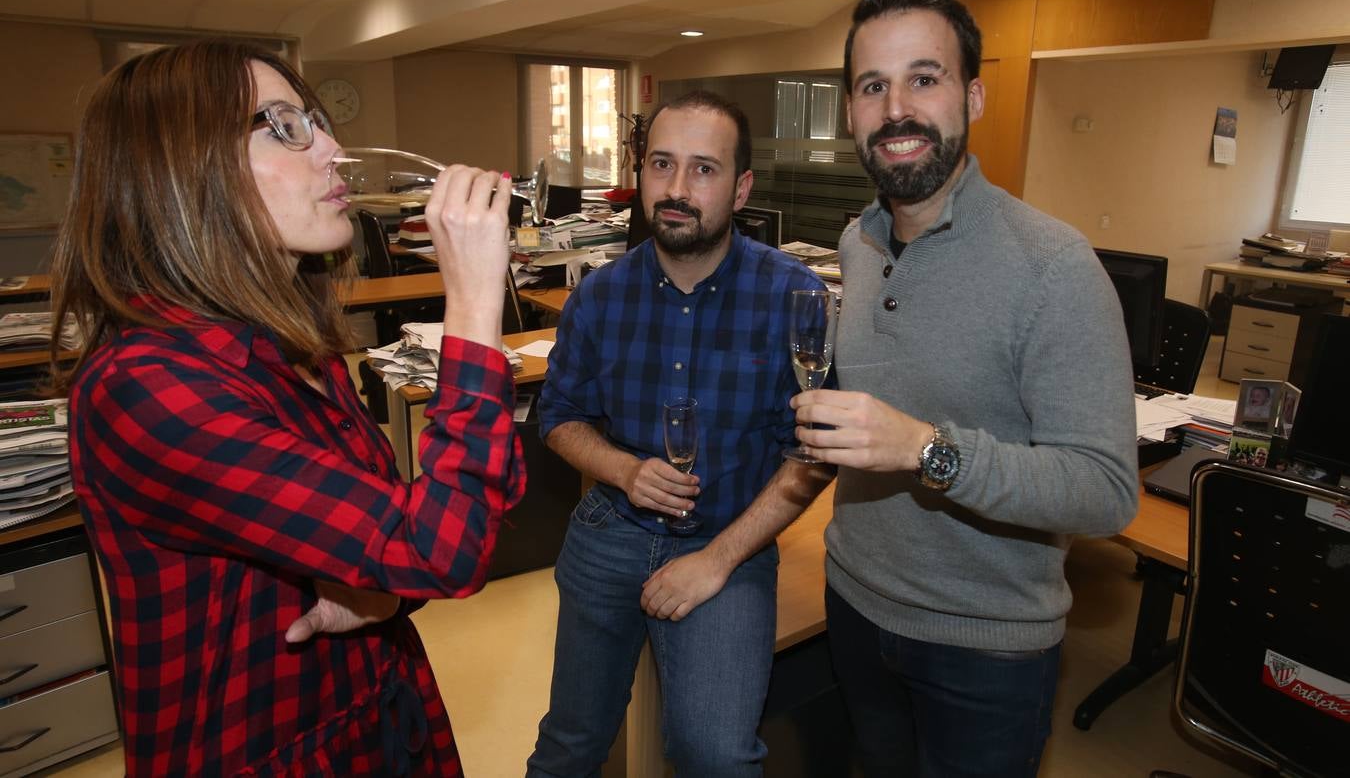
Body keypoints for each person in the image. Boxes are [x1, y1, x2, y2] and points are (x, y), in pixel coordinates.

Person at [49, 40, 526, 777]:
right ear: (182, 167)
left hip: (376, 715)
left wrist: (387, 600)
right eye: (283, 126)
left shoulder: (295, 346)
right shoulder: (144, 387)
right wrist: (472, 304)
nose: (332, 150)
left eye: (315, 121)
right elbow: (440, 547)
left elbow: (411, 538)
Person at [790, 0, 1139, 777]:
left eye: (925, 78)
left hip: (986, 650)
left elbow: (1103, 490)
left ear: (973, 98)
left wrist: (924, 449)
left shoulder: (1054, 266)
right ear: (850, 111)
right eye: (872, 86)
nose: (896, 109)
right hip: (855, 604)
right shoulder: (858, 243)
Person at [526, 91, 832, 777]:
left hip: (730, 541)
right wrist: (623, 469)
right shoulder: (600, 295)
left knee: (714, 756)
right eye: (662, 164)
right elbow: (557, 416)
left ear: (742, 186)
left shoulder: (794, 297)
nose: (676, 189)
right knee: (570, 743)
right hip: (610, 532)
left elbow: (812, 455)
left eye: (703, 169)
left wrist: (719, 559)